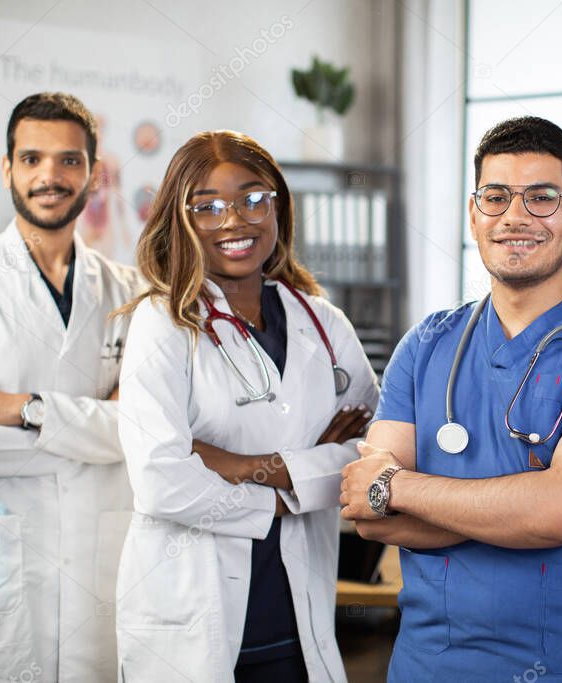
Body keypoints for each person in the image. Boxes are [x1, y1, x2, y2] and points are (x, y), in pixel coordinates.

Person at [340, 116, 562, 680]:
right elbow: (368, 512)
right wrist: (539, 511)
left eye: (542, 198)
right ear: (474, 214)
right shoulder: (425, 344)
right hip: (428, 666)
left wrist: (403, 487)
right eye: (496, 197)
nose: (515, 216)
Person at [115, 130, 379, 682]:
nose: (235, 220)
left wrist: (241, 467)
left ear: (278, 204)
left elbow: (375, 458)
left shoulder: (322, 323)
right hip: (191, 621)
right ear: (179, 220)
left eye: (253, 198)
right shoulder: (163, 323)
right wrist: (295, 488)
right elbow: (162, 481)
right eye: (207, 207)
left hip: (297, 618)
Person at [0, 92, 143, 680]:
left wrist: (23, 410)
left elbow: (142, 432)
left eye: (69, 160)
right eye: (32, 158)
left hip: (98, 567)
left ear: (93, 171)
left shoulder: (131, 291)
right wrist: (90, 435)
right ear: (7, 168)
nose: (50, 176)